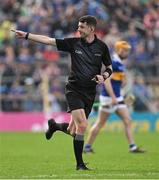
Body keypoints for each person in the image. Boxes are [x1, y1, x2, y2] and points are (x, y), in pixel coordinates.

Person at [11, 15, 113, 170]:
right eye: (78, 26)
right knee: (83, 125)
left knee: (74, 131)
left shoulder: (102, 47)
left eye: (82, 27)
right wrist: (26, 35)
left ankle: (55, 126)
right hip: (74, 90)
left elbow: (109, 68)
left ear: (91, 29)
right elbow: (49, 40)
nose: (78, 29)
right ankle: (80, 165)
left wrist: (103, 76)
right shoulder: (73, 43)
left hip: (90, 93)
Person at [83, 41, 145, 154]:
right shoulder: (114, 63)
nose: (126, 52)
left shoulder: (120, 63)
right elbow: (106, 81)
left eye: (127, 50)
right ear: (118, 50)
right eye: (124, 50)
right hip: (109, 98)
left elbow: (118, 80)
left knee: (127, 120)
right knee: (100, 123)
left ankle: (132, 146)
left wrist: (123, 83)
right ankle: (87, 147)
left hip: (117, 97)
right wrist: (113, 97)